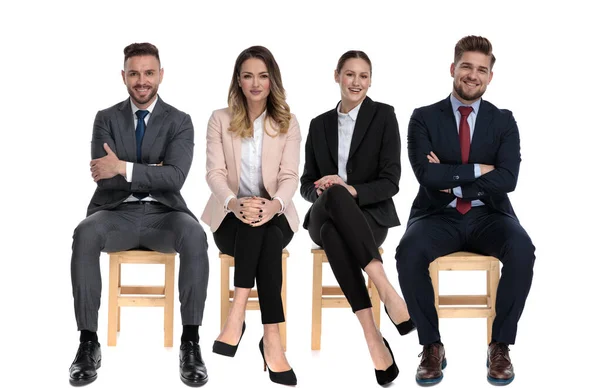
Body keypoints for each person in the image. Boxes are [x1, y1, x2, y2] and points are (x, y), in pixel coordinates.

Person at [395, 35, 536, 386]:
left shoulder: (504, 120)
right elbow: (426, 175)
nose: (473, 75)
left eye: (481, 70)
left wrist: (453, 177)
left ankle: (500, 345)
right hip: (436, 215)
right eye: (467, 67)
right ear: (453, 68)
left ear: (490, 77)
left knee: (523, 249)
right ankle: (431, 346)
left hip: (488, 215)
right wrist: (480, 169)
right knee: (408, 252)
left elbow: (509, 178)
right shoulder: (423, 117)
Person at [69, 43, 209, 387]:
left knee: (195, 234)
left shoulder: (180, 121)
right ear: (123, 76)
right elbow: (103, 173)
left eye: (149, 73)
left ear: (160, 75)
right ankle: (88, 343)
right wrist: (150, 169)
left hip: (166, 215)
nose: (141, 81)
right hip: (115, 214)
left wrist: (125, 166)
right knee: (85, 232)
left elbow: (175, 177)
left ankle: (190, 342)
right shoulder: (106, 118)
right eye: (134, 73)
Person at [300, 50, 414, 386]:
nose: (356, 82)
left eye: (363, 76)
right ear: (337, 76)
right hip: (323, 214)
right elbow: (307, 184)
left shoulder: (384, 116)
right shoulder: (319, 124)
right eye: (350, 74)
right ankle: (386, 289)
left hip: (369, 220)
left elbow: (391, 181)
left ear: (370, 80)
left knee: (338, 234)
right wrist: (325, 190)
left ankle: (372, 338)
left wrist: (352, 191)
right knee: (333, 192)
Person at [201, 45, 300, 386]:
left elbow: (289, 177)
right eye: (248, 76)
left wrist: (274, 205)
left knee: (264, 227)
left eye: (262, 76)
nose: (255, 83)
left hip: (275, 213)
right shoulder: (220, 118)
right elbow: (214, 173)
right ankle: (272, 342)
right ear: (238, 81)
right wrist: (233, 203)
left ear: (272, 80)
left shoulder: (287, 122)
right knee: (261, 235)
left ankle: (236, 315)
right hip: (228, 217)